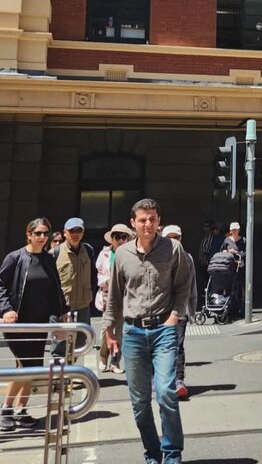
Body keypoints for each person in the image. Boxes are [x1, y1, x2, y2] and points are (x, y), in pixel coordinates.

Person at [103, 199, 193, 464]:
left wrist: (175, 315)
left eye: (152, 218)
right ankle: (152, 453)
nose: (148, 224)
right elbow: (115, 297)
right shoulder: (122, 255)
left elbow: (183, 285)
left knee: (166, 392)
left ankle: (172, 453)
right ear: (133, 223)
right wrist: (109, 331)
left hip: (163, 328)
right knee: (140, 403)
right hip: (132, 333)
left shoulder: (173, 248)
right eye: (143, 219)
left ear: (158, 221)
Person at [0, 218, 67, 432]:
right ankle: (5, 408)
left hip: (39, 322)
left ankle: (21, 410)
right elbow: (0, 285)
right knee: (24, 365)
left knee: (32, 367)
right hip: (18, 322)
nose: (42, 237)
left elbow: (55, 290)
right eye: (38, 233)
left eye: (45, 233)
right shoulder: (15, 258)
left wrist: (61, 315)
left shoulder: (47, 259)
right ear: (29, 234)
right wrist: (6, 309)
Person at [51, 217, 94, 359]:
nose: (75, 234)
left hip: (83, 305)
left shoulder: (88, 250)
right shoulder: (54, 253)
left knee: (80, 342)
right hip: (62, 307)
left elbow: (92, 275)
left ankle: (69, 374)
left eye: (78, 231)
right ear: (65, 233)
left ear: (83, 233)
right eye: (71, 231)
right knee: (60, 345)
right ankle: (58, 377)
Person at [162, 225, 197, 401]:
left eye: (177, 237)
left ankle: (178, 381)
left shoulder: (187, 258)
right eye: (170, 237)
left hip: (180, 310)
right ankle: (162, 380)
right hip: (160, 311)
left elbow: (192, 285)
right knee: (161, 348)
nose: (174, 241)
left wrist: (192, 308)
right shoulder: (157, 256)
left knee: (177, 347)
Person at [95, 223, 133, 374]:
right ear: (112, 238)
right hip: (108, 295)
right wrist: (110, 280)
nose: (121, 240)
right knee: (107, 329)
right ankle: (103, 357)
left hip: (125, 296)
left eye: (124, 236)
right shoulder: (104, 254)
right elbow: (99, 276)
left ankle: (115, 362)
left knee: (120, 332)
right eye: (117, 236)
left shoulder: (131, 253)